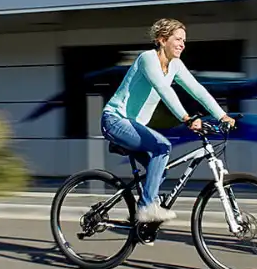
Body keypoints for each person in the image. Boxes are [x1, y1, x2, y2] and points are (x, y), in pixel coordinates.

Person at [101, 18, 236, 224]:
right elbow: (164, 90)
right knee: (162, 147)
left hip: (135, 127)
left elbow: (198, 90)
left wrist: (222, 115)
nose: (183, 44)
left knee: (159, 170)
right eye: (178, 39)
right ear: (162, 40)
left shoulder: (175, 65)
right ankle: (147, 208)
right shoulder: (148, 59)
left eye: (184, 40)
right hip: (115, 120)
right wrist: (187, 118)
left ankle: (139, 219)